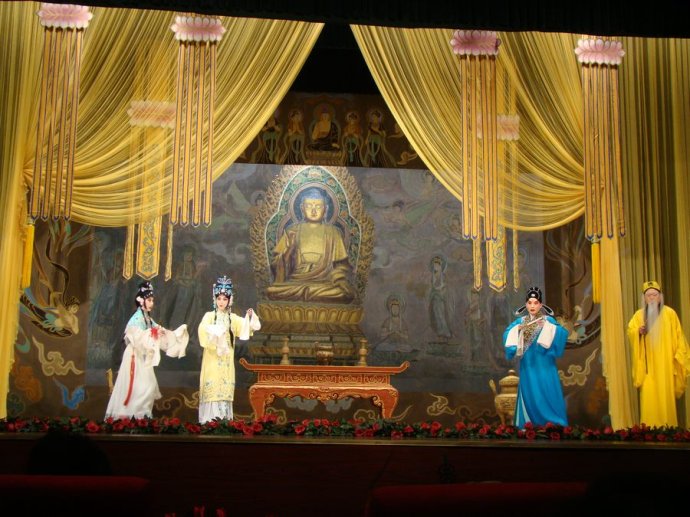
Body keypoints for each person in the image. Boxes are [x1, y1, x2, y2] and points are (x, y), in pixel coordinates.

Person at [105, 281, 189, 420]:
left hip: (142, 358)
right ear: (141, 300)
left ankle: (141, 416)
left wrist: (174, 333)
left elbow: (158, 330)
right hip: (134, 356)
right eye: (149, 300)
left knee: (148, 387)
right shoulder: (137, 318)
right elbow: (136, 337)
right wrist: (153, 333)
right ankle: (132, 416)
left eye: (152, 300)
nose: (151, 303)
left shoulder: (147, 318)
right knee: (142, 387)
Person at [266, 187, 356, 303]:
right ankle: (306, 293)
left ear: (325, 209)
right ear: (302, 208)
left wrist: (339, 279)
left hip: (324, 284)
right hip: (295, 283)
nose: (313, 211)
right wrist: (289, 249)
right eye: (309, 206)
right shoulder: (291, 231)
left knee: (343, 293)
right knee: (271, 291)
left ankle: (306, 293)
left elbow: (341, 266)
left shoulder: (333, 233)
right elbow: (277, 266)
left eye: (318, 207)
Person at [626, 280, 690, 427]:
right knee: (649, 398)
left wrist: (678, 357)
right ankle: (649, 430)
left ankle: (669, 430)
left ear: (660, 296)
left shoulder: (670, 314)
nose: (652, 298)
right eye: (648, 295)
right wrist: (638, 332)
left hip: (666, 365)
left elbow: (679, 338)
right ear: (644, 298)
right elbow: (631, 332)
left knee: (665, 398)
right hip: (648, 367)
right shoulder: (638, 316)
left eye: (655, 295)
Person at [198, 276, 261, 423]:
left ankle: (224, 422)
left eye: (224, 299)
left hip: (226, 362)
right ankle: (209, 421)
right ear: (215, 299)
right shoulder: (209, 316)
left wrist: (250, 316)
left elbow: (246, 328)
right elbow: (202, 331)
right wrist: (215, 333)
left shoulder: (232, 318)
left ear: (229, 300)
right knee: (213, 388)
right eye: (219, 298)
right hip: (212, 360)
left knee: (225, 389)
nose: (221, 302)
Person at [503, 286, 569, 427]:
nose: (532, 306)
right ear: (526, 304)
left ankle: (554, 424)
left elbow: (562, 333)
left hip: (545, 365)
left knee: (547, 391)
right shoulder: (520, 322)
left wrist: (548, 327)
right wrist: (517, 329)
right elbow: (507, 333)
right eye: (530, 303)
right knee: (529, 393)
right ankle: (528, 425)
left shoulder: (547, 320)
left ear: (541, 305)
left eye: (536, 303)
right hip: (528, 365)